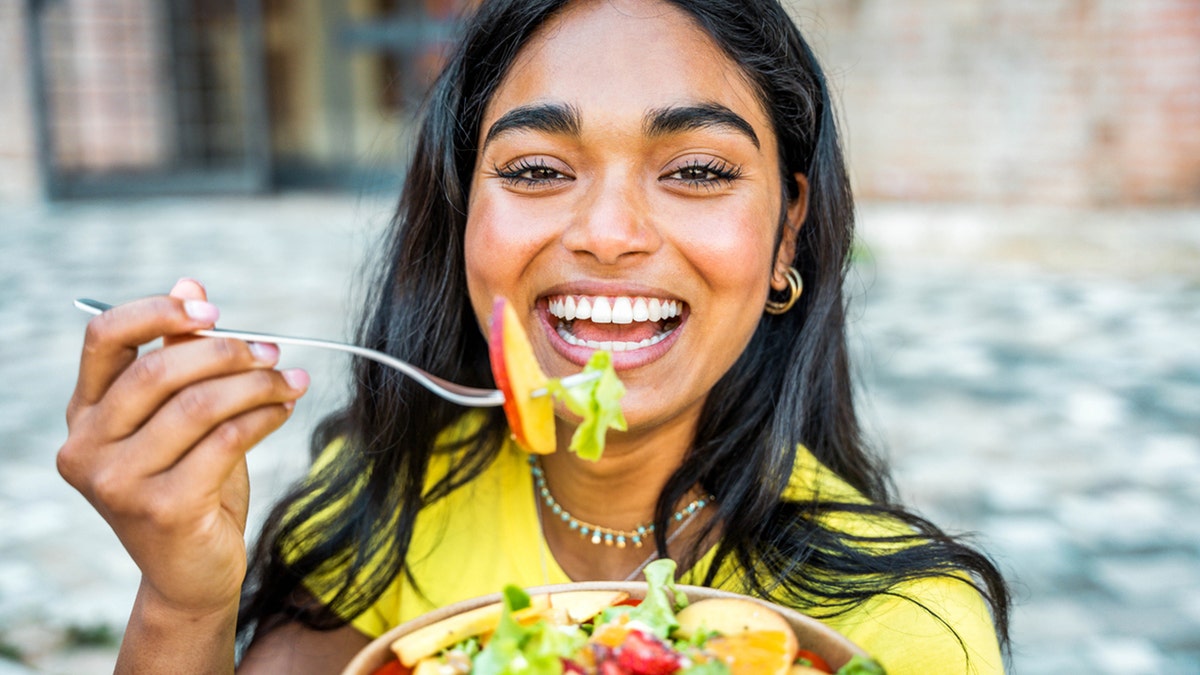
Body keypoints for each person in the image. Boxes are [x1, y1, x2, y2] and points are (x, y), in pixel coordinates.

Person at [57, 0, 1011, 672]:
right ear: (462, 210)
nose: (606, 231)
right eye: (538, 168)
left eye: (699, 170)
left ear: (785, 232)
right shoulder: (383, 506)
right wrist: (185, 598)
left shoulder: (906, 630)